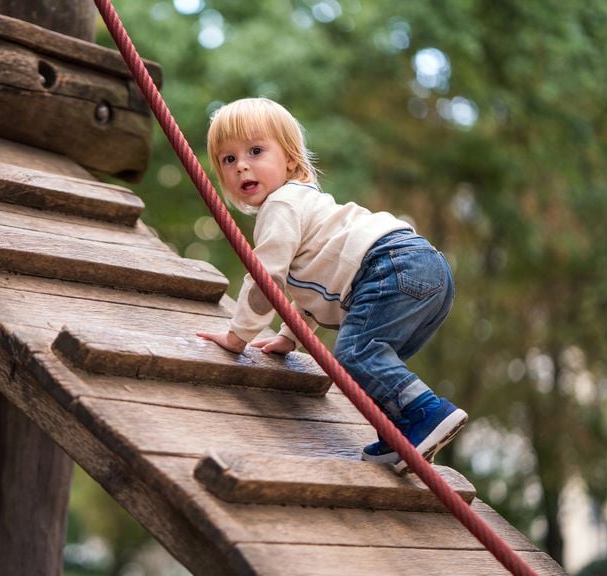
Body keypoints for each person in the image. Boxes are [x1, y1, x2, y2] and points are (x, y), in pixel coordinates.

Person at [196, 97, 467, 472]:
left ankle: (427, 412)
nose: (242, 165)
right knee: (373, 360)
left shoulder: (281, 206)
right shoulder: (306, 204)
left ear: (290, 159)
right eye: (229, 159)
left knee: (357, 354)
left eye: (256, 151)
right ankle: (402, 430)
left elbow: (265, 279)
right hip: (427, 271)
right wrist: (290, 337)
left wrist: (237, 337)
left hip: (388, 265)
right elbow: (313, 287)